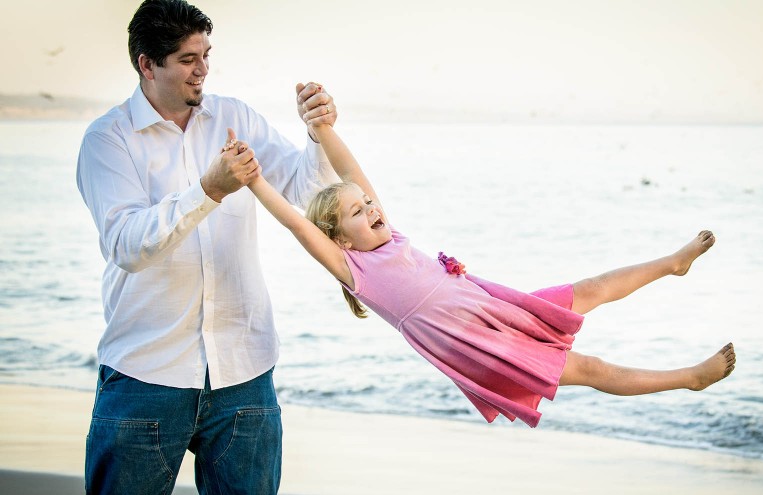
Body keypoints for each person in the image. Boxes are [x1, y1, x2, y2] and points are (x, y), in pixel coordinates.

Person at [71, 1, 338, 495]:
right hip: (146, 374)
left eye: (206, 57)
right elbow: (126, 244)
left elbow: (307, 189)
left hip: (244, 374)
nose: (202, 71)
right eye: (187, 60)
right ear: (147, 64)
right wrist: (208, 190)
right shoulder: (108, 140)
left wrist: (317, 133)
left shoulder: (234, 117)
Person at [234, 122, 737, 430]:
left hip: (494, 307)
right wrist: (255, 179)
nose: (370, 209)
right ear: (340, 239)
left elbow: (351, 168)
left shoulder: (395, 235)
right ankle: (689, 379)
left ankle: (673, 263)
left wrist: (323, 130)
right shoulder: (355, 268)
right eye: (357, 212)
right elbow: (296, 223)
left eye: (369, 203)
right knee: (591, 368)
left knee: (589, 290)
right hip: (480, 344)